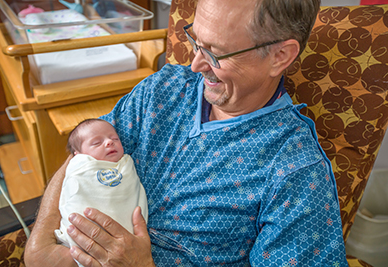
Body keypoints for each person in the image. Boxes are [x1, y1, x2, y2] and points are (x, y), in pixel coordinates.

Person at [25, 0, 349, 266]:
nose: (194, 65)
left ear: (280, 56)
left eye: (215, 52)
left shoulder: (295, 172)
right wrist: (39, 248)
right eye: (196, 40)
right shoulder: (163, 88)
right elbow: (84, 152)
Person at [55, 119, 148, 266]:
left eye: (114, 139)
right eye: (97, 143)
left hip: (130, 239)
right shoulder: (80, 167)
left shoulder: (125, 164)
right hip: (86, 230)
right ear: (78, 155)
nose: (109, 142)